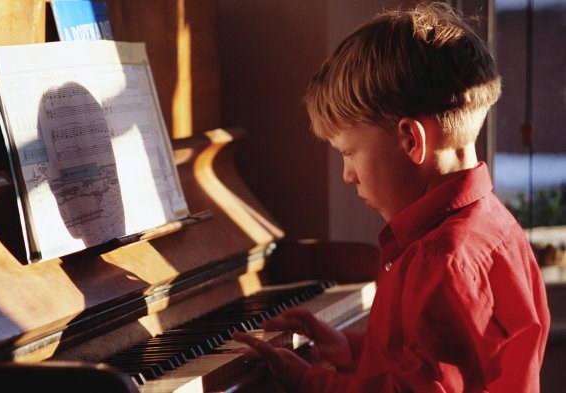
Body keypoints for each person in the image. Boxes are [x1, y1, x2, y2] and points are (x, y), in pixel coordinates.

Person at [233, 2, 551, 392]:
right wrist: (348, 348)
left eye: (349, 153)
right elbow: (432, 363)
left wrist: (308, 381)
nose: (347, 175)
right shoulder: (494, 225)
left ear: (411, 140)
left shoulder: (440, 261)